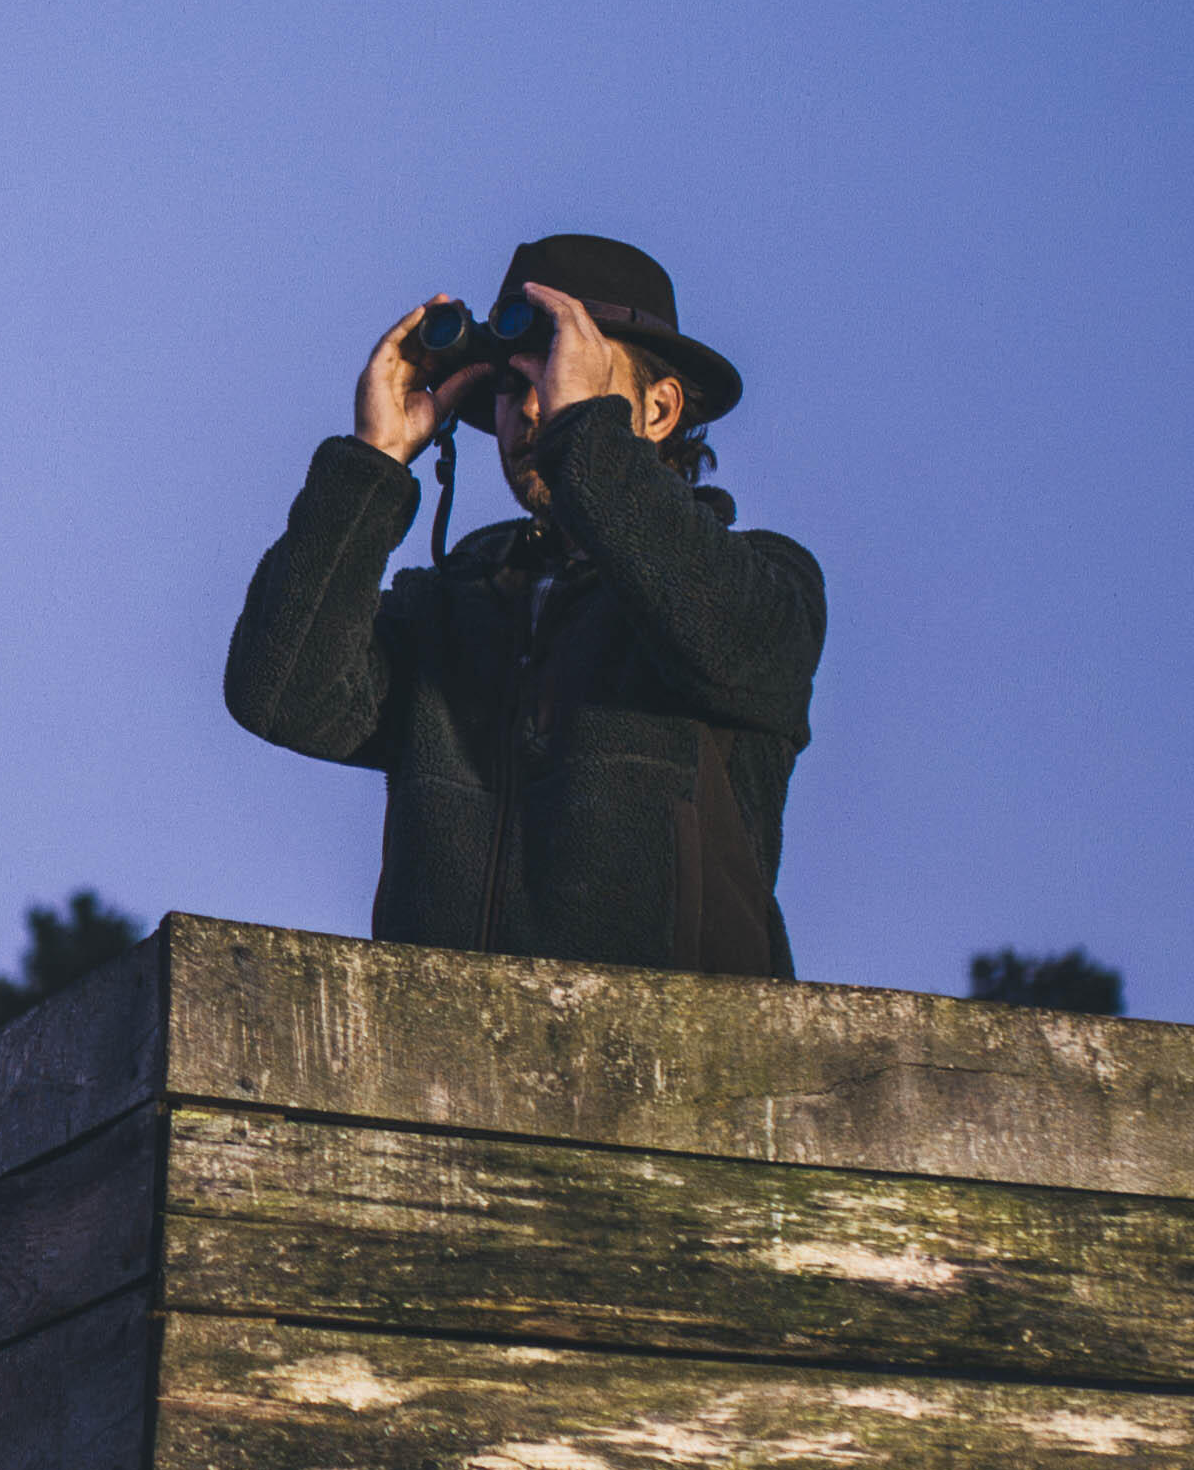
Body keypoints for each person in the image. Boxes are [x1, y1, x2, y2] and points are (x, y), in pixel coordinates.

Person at [222, 231, 825, 973]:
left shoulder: (765, 584)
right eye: (512, 383)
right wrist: (372, 464)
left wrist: (589, 441)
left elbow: (722, 631)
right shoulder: (448, 607)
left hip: (683, 1072)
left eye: (566, 374)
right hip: (438, 1073)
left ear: (660, 409)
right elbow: (280, 693)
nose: (534, 408)